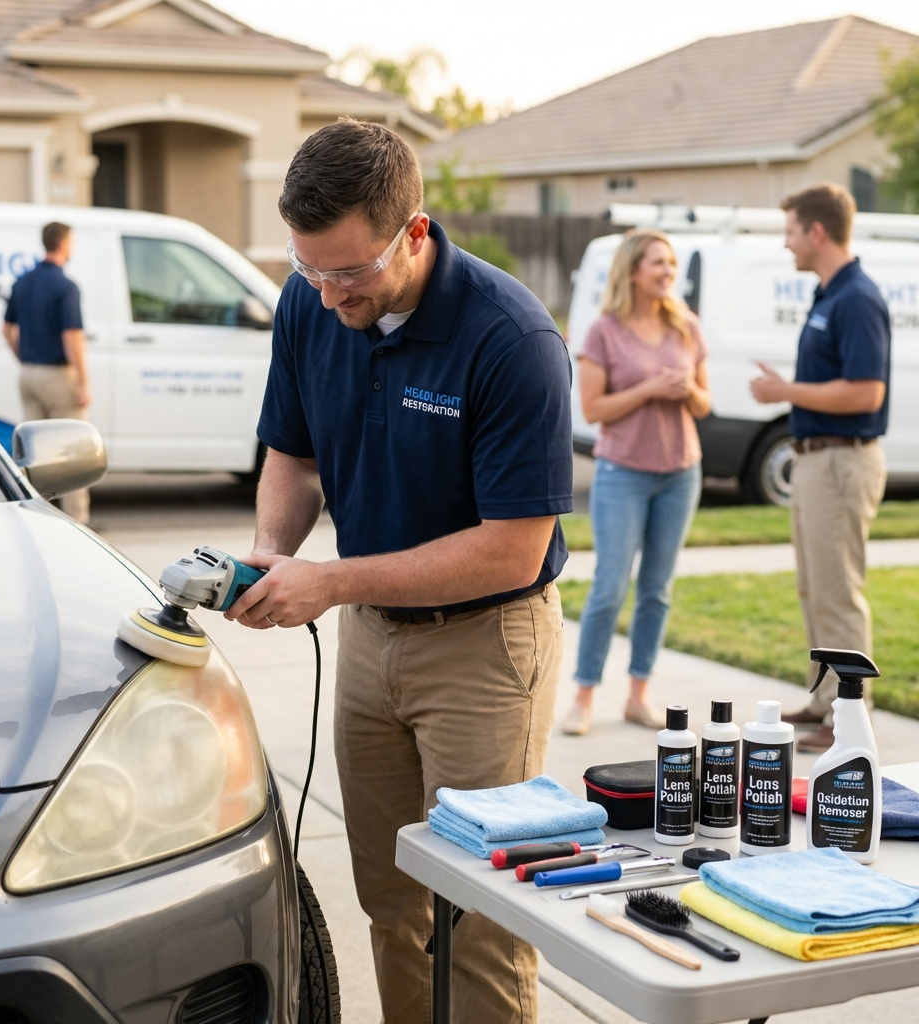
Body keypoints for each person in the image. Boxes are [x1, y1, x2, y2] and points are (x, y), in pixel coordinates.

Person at [224, 119, 573, 1024]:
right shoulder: (309, 303)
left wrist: (333, 583)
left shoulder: (512, 340)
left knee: (480, 917)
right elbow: (292, 458)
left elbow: (513, 546)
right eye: (308, 268)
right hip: (371, 642)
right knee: (391, 899)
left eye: (348, 271)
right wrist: (275, 554)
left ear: (414, 232)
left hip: (486, 650)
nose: (328, 293)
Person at [751, 183, 889, 753]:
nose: (786, 245)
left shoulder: (857, 298)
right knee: (814, 588)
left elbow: (865, 392)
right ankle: (825, 699)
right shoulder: (828, 293)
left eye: (789, 232)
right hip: (815, 462)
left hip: (841, 461)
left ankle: (850, 719)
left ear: (817, 231)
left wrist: (787, 390)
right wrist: (795, 391)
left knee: (838, 592)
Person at [562, 229, 710, 737]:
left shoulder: (686, 325)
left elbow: (705, 404)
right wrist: (650, 387)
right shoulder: (604, 331)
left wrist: (686, 387)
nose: (668, 272)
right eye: (657, 263)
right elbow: (593, 409)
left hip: (680, 472)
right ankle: (583, 695)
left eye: (671, 263)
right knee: (609, 587)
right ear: (632, 271)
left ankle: (638, 695)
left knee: (658, 591)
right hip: (623, 472)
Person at [3, 221, 91, 524]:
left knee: (34, 456)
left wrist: (23, 358)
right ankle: (77, 522)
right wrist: (83, 382)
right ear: (64, 243)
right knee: (72, 453)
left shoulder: (23, 281)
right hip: (56, 376)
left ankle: (37, 520)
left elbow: (6, 329)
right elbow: (72, 338)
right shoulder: (66, 286)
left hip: (28, 375)